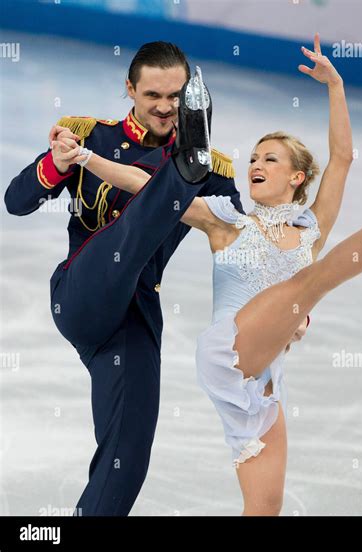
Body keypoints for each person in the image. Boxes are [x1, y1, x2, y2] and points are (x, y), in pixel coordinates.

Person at [54, 34, 362, 516]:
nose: (254, 164)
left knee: (264, 508)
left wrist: (335, 84)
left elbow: (342, 159)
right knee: (305, 287)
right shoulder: (226, 221)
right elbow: (145, 184)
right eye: (253, 157)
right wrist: (85, 158)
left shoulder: (312, 229)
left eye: (270, 159)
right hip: (227, 351)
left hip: (264, 382)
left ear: (296, 177)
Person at [4, 41, 254, 516]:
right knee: (128, 237)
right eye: (153, 95)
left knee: (128, 457)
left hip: (135, 312)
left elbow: (241, 248)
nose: (165, 106)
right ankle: (179, 175)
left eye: (176, 96)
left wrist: (290, 307)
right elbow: (16, 201)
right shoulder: (89, 139)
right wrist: (58, 163)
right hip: (83, 290)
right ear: (130, 90)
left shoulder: (216, 172)